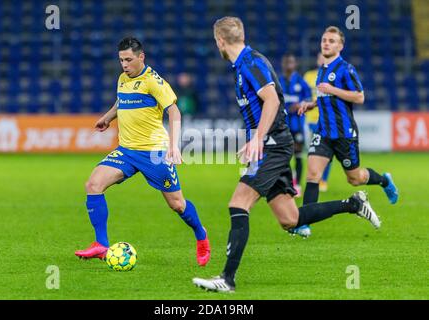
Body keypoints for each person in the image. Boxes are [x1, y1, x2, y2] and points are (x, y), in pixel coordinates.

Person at [192, 17, 380, 293]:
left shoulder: (251, 63)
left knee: (238, 204)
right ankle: (352, 204)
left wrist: (257, 138)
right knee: (290, 219)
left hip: (272, 145)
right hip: (271, 143)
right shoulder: (243, 64)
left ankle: (227, 279)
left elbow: (272, 99)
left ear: (219, 41)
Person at [75, 37, 211, 267]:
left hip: (154, 153)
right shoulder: (122, 78)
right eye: (121, 60)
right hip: (127, 151)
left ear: (141, 57)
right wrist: (107, 118)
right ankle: (101, 244)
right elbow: (121, 101)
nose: (124, 65)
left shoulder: (154, 81)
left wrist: (174, 146)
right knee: (93, 185)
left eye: (128, 60)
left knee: (177, 204)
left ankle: (201, 235)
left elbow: (175, 112)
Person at [297, 26, 399, 210]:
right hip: (323, 131)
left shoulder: (346, 69)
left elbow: (360, 96)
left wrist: (332, 89)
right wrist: (312, 104)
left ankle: (384, 181)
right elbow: (326, 97)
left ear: (340, 46)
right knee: (313, 175)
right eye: (324, 40)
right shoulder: (322, 69)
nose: (326, 44)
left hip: (344, 132)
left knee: (355, 179)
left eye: (331, 41)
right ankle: (304, 221)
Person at [279, 53, 312, 197]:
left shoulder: (301, 82)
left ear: (295, 64)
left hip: (297, 124)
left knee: (298, 153)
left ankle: (297, 185)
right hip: (282, 125)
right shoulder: (278, 81)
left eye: (291, 62)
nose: (288, 65)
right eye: (286, 62)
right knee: (284, 155)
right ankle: (286, 183)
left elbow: (310, 101)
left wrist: (300, 105)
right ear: (283, 65)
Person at [303, 52, 332, 193]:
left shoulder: (332, 77)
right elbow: (303, 96)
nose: (322, 60)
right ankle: (314, 178)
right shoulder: (308, 76)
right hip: (310, 120)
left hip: (326, 119)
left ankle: (323, 180)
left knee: (327, 153)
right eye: (320, 57)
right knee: (312, 152)